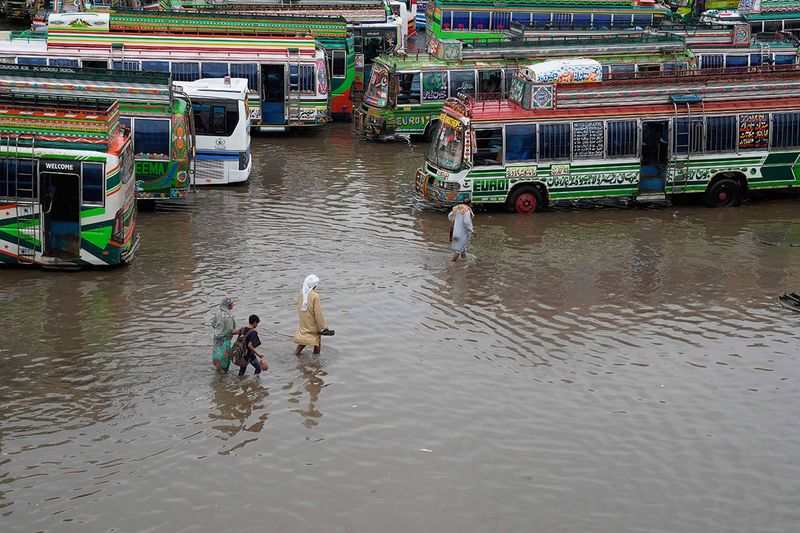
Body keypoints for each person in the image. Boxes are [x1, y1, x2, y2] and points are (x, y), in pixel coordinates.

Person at [293, 274, 329, 355]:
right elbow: (318, 313)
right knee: (317, 340)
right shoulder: (315, 296)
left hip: (304, 321)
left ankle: (295, 355)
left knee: (303, 340)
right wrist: (323, 327)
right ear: (315, 285)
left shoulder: (301, 293)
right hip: (313, 323)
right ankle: (316, 361)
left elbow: (298, 307)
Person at [211, 297, 237, 372]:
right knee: (225, 356)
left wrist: (219, 330)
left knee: (217, 352)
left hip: (217, 338)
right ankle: (224, 372)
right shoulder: (229, 316)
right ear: (228, 305)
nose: (233, 305)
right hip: (225, 339)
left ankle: (217, 368)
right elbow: (230, 330)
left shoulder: (218, 312)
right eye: (232, 304)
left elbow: (213, 324)